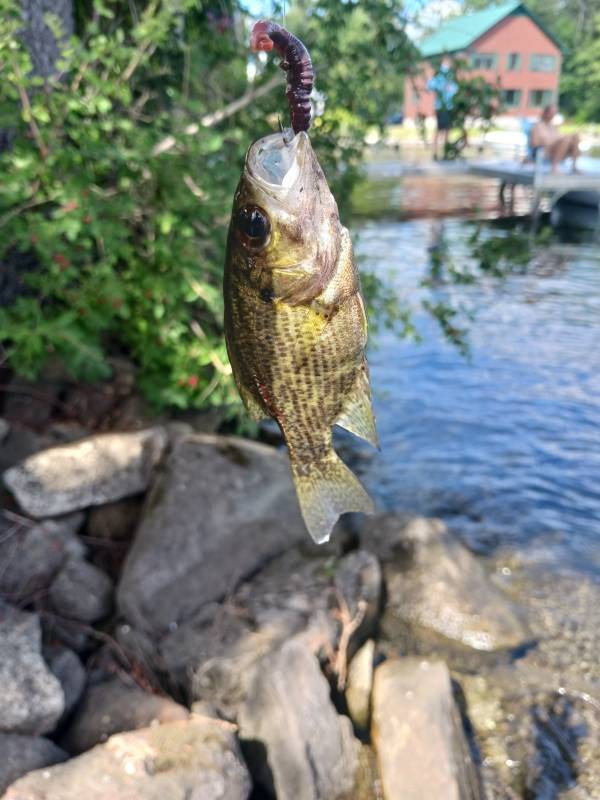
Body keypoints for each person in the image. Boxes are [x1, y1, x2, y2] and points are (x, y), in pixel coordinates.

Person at [530, 104, 580, 174]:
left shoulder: (553, 126)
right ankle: (554, 168)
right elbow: (533, 143)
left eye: (554, 113)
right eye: (551, 113)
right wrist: (547, 143)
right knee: (566, 139)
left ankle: (574, 166)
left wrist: (560, 140)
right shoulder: (537, 126)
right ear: (545, 113)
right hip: (545, 151)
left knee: (575, 136)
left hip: (558, 149)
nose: (553, 115)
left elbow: (559, 138)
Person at [427, 57, 458, 161]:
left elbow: (455, 89)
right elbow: (430, 85)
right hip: (440, 107)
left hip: (449, 107)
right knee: (439, 130)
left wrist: (449, 87)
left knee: (447, 130)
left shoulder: (451, 77)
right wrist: (441, 86)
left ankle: (445, 152)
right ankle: (435, 153)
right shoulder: (439, 77)